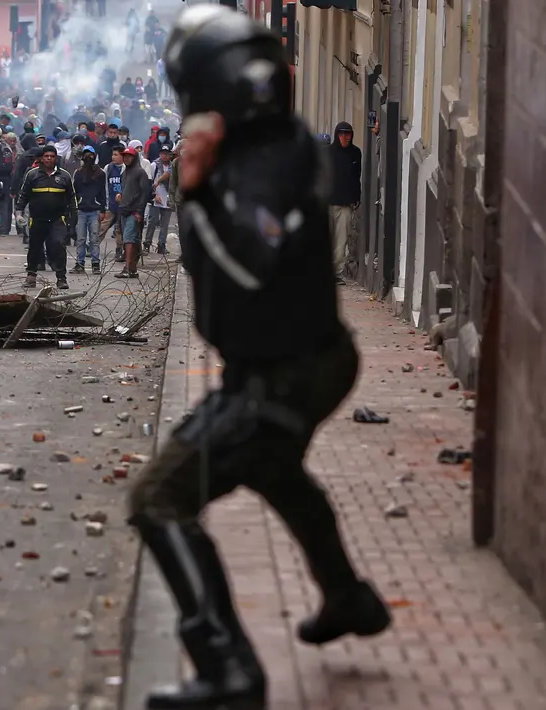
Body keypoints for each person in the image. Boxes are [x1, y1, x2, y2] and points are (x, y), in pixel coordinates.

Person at [126, 7, 392, 709]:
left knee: (158, 499)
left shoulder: (255, 165)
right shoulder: (278, 143)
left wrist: (195, 194)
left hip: (288, 370)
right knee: (276, 470)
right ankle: (349, 600)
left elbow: (250, 261)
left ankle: (227, 669)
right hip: (300, 359)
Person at [15, 144, 76, 290]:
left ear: (56, 158)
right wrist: (18, 213)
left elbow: (72, 199)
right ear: (42, 158)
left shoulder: (65, 176)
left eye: (52, 156)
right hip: (37, 219)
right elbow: (23, 196)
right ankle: (31, 277)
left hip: (57, 220)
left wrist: (73, 220)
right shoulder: (32, 175)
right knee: (34, 248)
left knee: (58, 245)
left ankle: (61, 278)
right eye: (46, 156)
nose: (49, 159)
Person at [329, 122, 362, 282]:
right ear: (336, 135)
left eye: (348, 134)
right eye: (341, 134)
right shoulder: (328, 153)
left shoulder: (356, 153)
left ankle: (335, 273)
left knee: (341, 242)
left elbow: (357, 178)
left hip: (345, 205)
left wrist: (356, 197)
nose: (344, 137)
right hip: (327, 204)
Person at [115, 147, 149, 278]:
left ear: (135, 158)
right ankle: (133, 269)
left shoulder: (140, 173)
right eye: (125, 156)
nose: (127, 158)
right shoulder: (125, 173)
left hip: (134, 212)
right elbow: (128, 191)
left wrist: (139, 212)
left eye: (129, 156)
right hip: (124, 210)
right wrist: (120, 196)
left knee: (129, 240)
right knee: (131, 240)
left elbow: (144, 193)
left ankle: (128, 268)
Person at [71, 146, 105, 275]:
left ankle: (95, 265)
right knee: (80, 239)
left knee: (94, 239)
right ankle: (80, 264)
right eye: (86, 155)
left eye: (91, 154)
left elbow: (102, 192)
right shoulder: (78, 173)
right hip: (81, 210)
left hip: (95, 210)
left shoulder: (100, 173)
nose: (88, 157)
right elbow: (74, 192)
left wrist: (102, 209)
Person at [147, 143, 174, 254]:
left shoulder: (173, 166)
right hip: (156, 198)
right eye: (163, 153)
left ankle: (161, 245)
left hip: (168, 198)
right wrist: (154, 194)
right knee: (152, 221)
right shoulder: (154, 165)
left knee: (165, 223)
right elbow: (150, 182)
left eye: (167, 154)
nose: (165, 156)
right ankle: (147, 243)